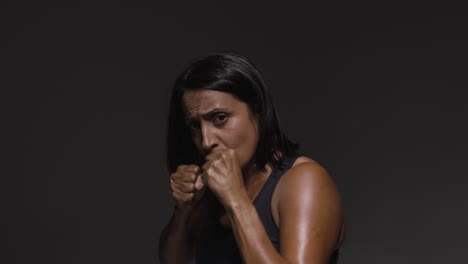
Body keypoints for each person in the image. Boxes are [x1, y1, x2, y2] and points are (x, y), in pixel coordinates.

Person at [159, 52, 345, 264]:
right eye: (195, 125)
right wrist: (184, 210)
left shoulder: (304, 181)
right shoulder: (210, 193)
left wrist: (236, 200)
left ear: (258, 112)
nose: (206, 141)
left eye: (220, 118)